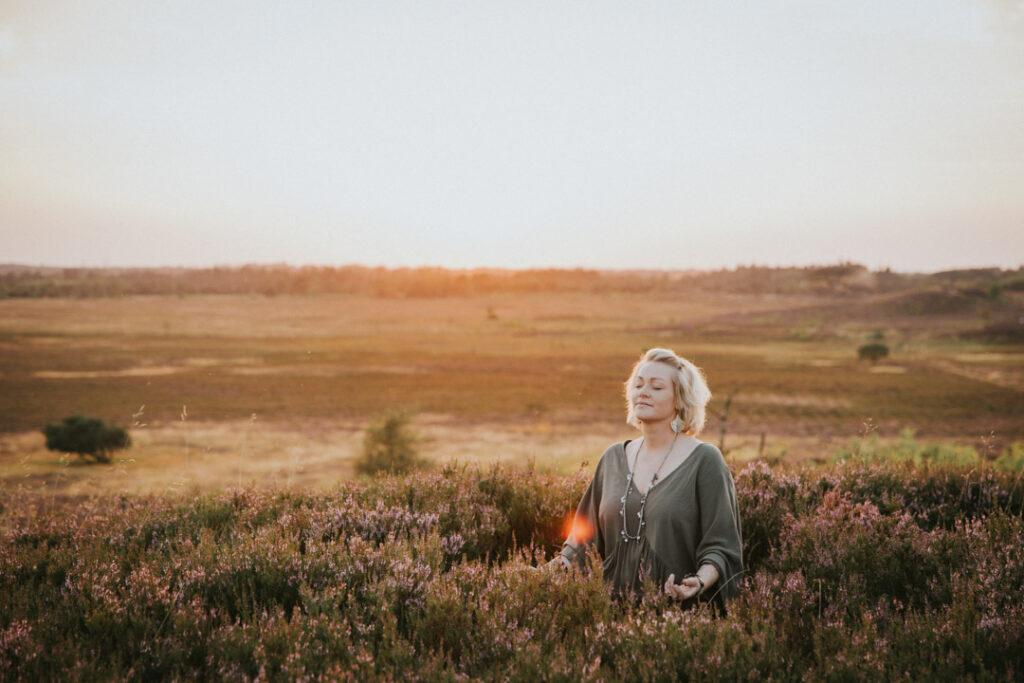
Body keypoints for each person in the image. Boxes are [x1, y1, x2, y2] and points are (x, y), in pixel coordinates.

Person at [551, 348, 743, 609]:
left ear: (679, 399)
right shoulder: (612, 458)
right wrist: (547, 571)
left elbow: (722, 546)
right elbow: (582, 538)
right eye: (638, 384)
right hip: (608, 616)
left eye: (656, 387)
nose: (643, 392)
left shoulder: (705, 460)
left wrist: (698, 582)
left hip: (676, 618)